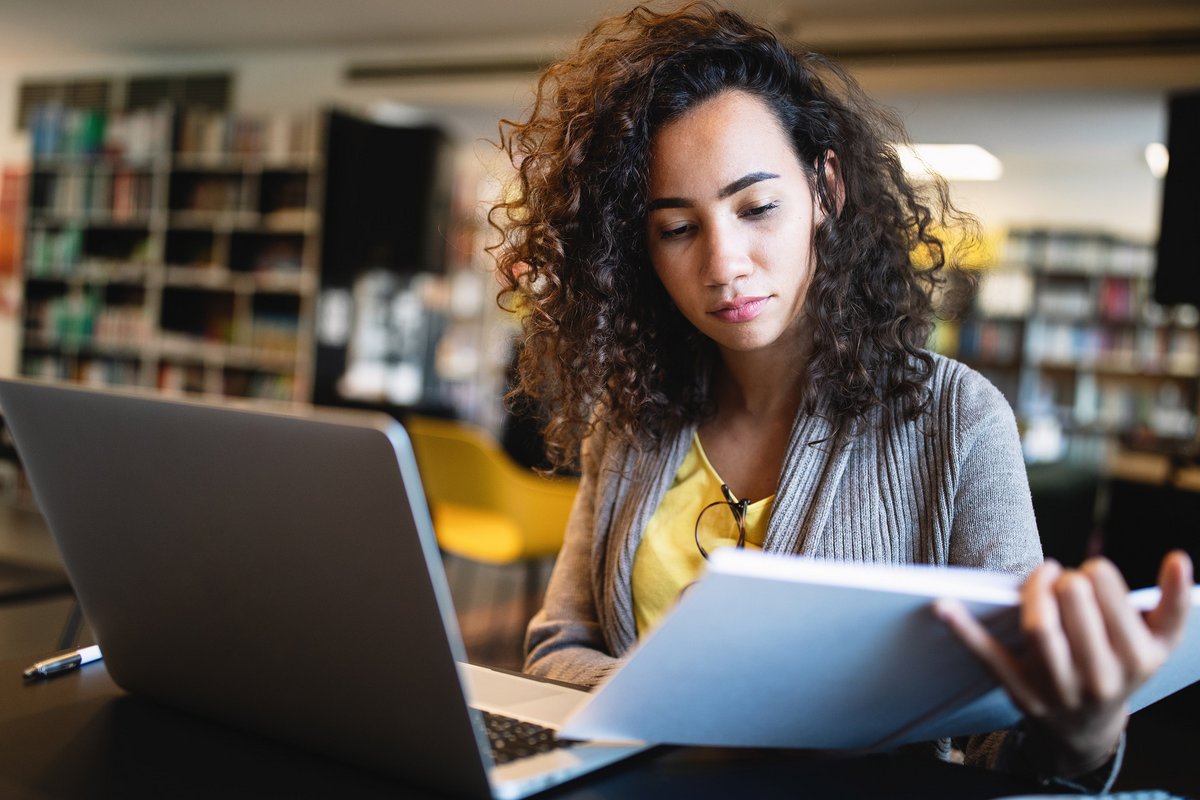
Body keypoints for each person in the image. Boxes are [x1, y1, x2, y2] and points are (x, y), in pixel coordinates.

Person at [488, 1, 1193, 791]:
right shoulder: (632, 422)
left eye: (757, 208)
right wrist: (686, 703)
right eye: (677, 228)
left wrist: (1086, 732)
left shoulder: (957, 421)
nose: (725, 264)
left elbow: (1004, 740)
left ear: (825, 189)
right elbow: (555, 648)